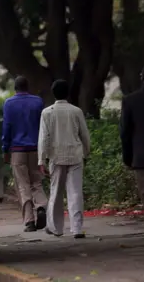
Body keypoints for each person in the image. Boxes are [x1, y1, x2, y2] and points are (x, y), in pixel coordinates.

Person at [38, 79, 90, 239]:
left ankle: (56, 228)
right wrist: (86, 153)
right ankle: (77, 229)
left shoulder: (47, 112)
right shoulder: (76, 111)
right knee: (75, 193)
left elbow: (43, 138)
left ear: (53, 93)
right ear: (67, 93)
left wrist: (41, 159)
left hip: (56, 156)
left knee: (56, 193)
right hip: (75, 155)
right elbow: (85, 135)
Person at [120, 53, 144, 255]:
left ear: (143, 78)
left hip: (143, 158)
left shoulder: (131, 101)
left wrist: (128, 157)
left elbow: (125, 134)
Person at [2, 76, 48, 232]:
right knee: (36, 181)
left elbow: (7, 127)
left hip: (17, 150)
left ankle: (29, 221)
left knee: (22, 185)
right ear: (28, 87)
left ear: (15, 88)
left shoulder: (9, 103)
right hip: (35, 148)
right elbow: (43, 126)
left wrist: (5, 149)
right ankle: (41, 206)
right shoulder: (37, 102)